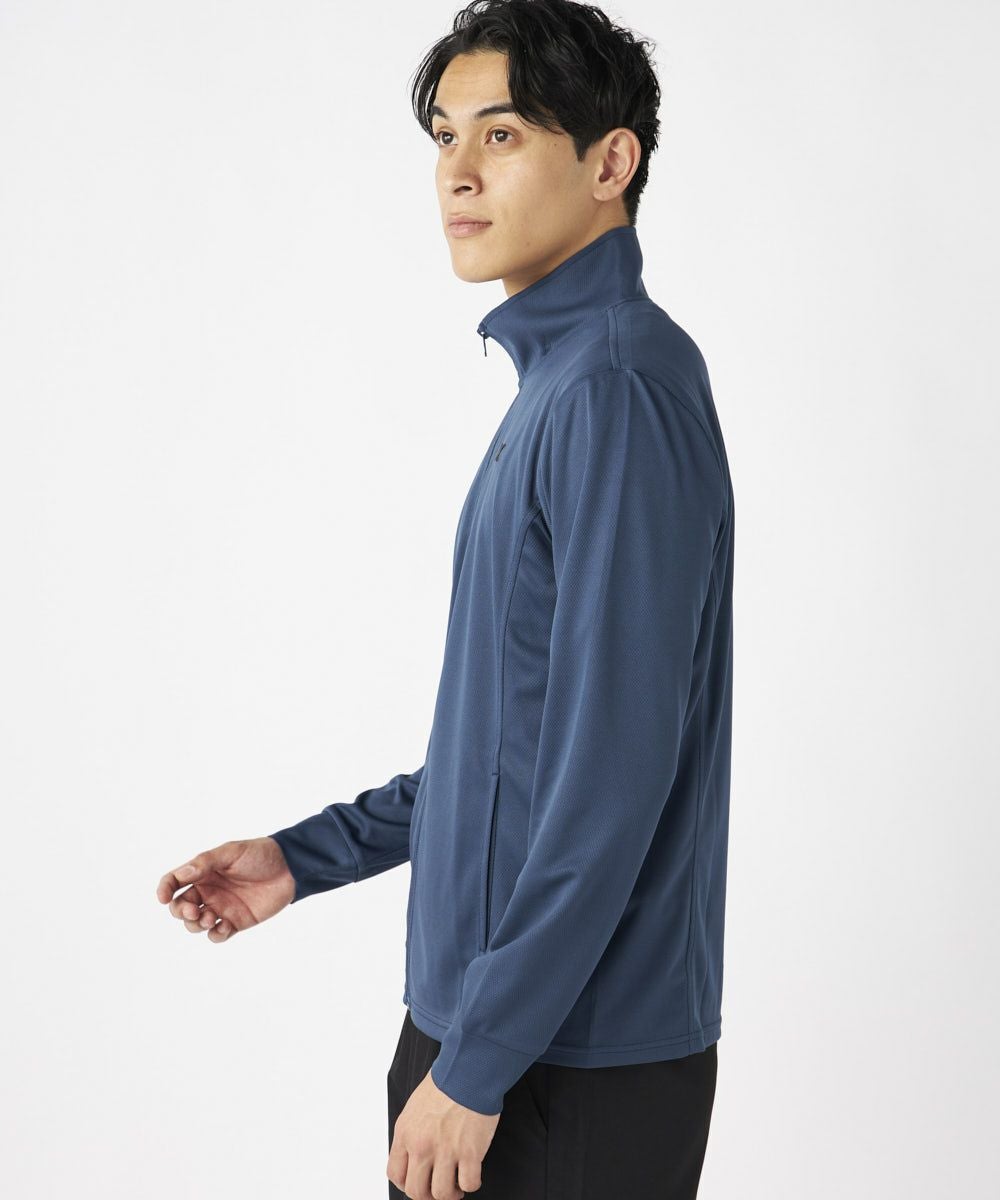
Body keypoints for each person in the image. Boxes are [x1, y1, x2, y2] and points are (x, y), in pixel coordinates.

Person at [156, 1, 734, 1196]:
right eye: (443, 136)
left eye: (502, 134)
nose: (456, 172)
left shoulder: (615, 392)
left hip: (561, 1063)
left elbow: (611, 780)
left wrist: (476, 1066)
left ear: (610, 163)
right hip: (490, 1032)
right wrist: (303, 858)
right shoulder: (562, 385)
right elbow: (512, 752)